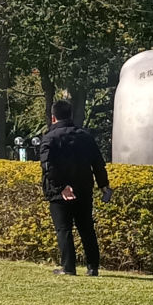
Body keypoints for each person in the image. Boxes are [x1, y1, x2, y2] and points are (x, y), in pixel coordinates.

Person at [40, 99, 111, 277]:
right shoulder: (86, 136)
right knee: (86, 228)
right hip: (83, 188)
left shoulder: (49, 138)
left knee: (63, 229)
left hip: (59, 192)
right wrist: (104, 185)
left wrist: (61, 187)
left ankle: (68, 267)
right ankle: (93, 266)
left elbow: (48, 166)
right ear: (70, 115)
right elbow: (98, 164)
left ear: (53, 117)